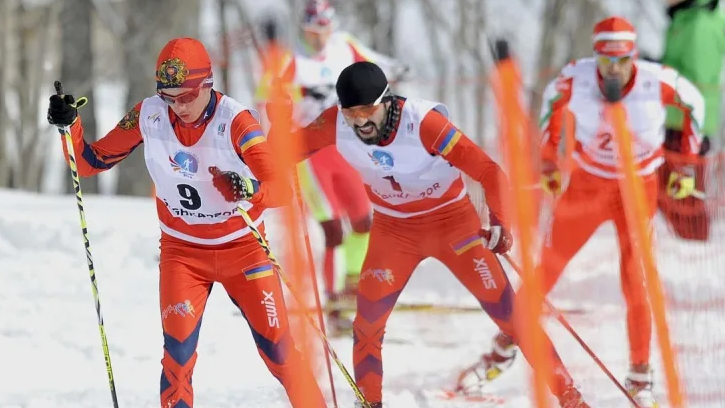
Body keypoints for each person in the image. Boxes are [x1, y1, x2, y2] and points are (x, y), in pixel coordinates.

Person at [262, 60, 592, 408]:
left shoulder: (423, 123)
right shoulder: (335, 123)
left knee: (512, 318)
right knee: (367, 328)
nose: (360, 121)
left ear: (385, 101)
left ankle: (570, 396)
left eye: (368, 110)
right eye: (351, 113)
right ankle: (369, 403)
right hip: (395, 232)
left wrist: (499, 222)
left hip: (454, 226)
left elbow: (488, 171)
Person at [46, 37, 326, 408]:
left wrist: (248, 188)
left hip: (243, 252)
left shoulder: (237, 122)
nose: (178, 107)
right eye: (169, 96)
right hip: (183, 254)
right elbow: (89, 163)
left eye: (187, 96)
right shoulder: (148, 114)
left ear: (207, 84)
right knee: (177, 359)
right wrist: (71, 125)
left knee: (279, 352)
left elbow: (280, 190)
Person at [468, 16, 705, 408]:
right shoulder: (574, 78)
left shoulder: (654, 79)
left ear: (632, 54)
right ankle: (504, 348)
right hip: (588, 185)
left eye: (622, 58)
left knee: (637, 280)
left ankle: (640, 375)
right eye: (606, 59)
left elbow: (694, 103)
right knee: (547, 268)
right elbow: (551, 112)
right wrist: (548, 166)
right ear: (595, 55)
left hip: (638, 187)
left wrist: (686, 165)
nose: (614, 68)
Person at [254, 0, 411, 335]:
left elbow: (379, 65)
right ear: (304, 30)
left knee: (363, 221)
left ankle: (354, 289)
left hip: (346, 145)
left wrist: (398, 70)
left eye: (324, 31)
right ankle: (334, 302)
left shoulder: (345, 46)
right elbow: (266, 94)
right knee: (333, 229)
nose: (320, 39)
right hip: (311, 151)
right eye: (313, 32)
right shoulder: (291, 58)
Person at [657, 0, 725, 240]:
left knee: (681, 197)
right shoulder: (686, 17)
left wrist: (658, 75)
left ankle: (695, 250)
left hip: (689, 125)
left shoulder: (700, 24)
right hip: (675, 120)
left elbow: (696, 81)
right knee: (664, 191)